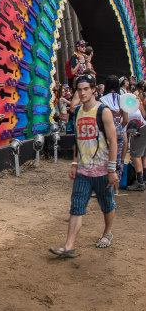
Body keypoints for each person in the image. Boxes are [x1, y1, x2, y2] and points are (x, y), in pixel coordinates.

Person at [49, 73, 118, 257]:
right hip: (83, 171)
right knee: (77, 207)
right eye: (79, 90)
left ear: (94, 89)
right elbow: (78, 140)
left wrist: (112, 170)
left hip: (103, 170)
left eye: (86, 89)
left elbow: (113, 140)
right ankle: (69, 246)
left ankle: (107, 233)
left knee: (107, 205)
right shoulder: (78, 111)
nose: (83, 92)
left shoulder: (104, 111)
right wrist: (74, 163)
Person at [100, 75, 128, 183]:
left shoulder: (102, 100)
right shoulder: (122, 99)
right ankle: (116, 185)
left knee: (106, 158)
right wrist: (119, 128)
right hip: (120, 132)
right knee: (118, 158)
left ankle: (105, 184)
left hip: (107, 133)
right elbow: (125, 119)